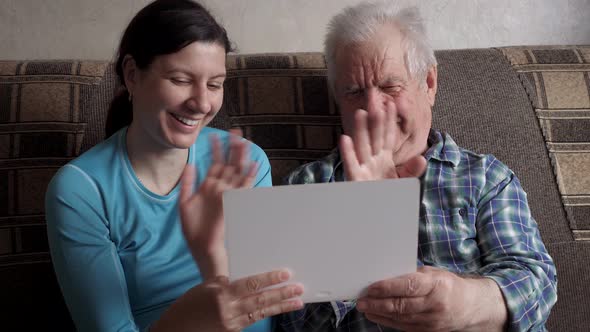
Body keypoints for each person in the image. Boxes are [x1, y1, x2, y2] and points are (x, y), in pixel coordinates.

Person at [276, 2, 557, 331]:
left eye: (389, 86)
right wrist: (360, 234)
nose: (373, 109)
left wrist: (467, 303)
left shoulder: (485, 178)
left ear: (429, 83)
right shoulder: (306, 186)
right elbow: (291, 319)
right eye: (353, 92)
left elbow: (534, 281)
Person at [45, 1, 303, 331]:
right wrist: (191, 318)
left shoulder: (246, 161)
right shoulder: (80, 191)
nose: (202, 103)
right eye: (181, 80)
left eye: (214, 84)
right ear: (132, 75)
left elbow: (265, 295)